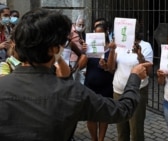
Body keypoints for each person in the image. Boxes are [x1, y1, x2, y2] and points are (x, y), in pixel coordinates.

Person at [0, 8, 152, 141]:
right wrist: (135, 77)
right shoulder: (71, 92)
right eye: (62, 43)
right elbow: (122, 110)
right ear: (54, 49)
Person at [112, 21, 154, 141]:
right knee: (121, 130)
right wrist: (111, 51)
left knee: (136, 131)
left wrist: (139, 55)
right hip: (119, 91)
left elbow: (148, 71)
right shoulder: (119, 46)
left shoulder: (146, 46)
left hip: (137, 92)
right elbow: (112, 68)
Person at [85, 23, 116, 141]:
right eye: (95, 34)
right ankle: (94, 139)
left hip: (106, 87)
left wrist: (105, 66)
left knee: (103, 115)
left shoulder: (111, 48)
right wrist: (84, 52)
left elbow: (112, 69)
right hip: (90, 86)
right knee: (91, 116)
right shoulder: (89, 47)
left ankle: (101, 139)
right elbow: (81, 65)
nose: (97, 37)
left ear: (105, 34)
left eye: (100, 35)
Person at [63, 14, 87, 84]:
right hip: (71, 59)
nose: (81, 26)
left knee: (78, 77)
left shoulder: (82, 32)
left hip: (79, 58)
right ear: (75, 23)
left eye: (83, 25)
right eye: (79, 24)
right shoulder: (71, 31)